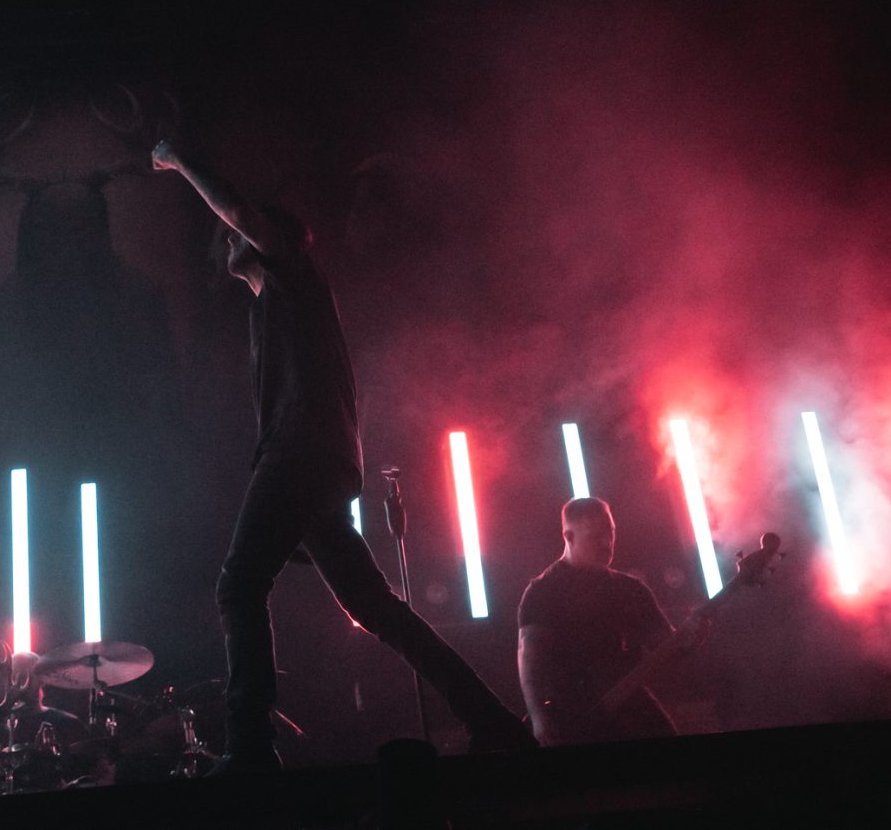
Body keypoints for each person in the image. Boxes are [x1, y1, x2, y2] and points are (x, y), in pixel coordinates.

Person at [152, 139, 535, 774]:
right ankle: (490, 720)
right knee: (376, 609)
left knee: (239, 585)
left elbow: (238, 210)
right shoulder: (272, 307)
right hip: (315, 463)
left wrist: (180, 159)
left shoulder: (293, 273)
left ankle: (251, 749)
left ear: (271, 239)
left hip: (300, 454)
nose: (226, 240)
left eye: (233, 234)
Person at [517, 497, 682, 746]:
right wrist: (539, 718)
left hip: (628, 702)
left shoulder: (631, 589)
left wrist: (690, 640)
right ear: (568, 537)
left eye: (610, 532)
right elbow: (530, 660)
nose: (607, 543)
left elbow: (668, 647)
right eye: (595, 536)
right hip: (571, 711)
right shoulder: (543, 591)